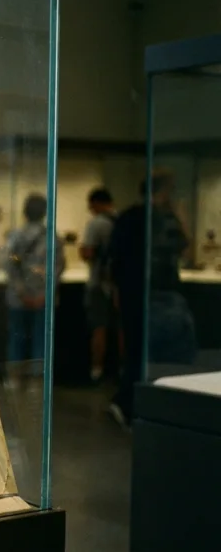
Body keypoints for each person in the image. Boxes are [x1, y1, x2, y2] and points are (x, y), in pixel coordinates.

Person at [107, 174, 190, 427]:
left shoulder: (128, 216)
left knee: (137, 349)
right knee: (154, 351)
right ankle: (135, 403)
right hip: (155, 293)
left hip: (133, 292)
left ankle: (129, 401)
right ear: (163, 192)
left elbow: (115, 258)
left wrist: (118, 291)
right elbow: (182, 245)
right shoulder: (162, 219)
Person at [2, 193, 65, 387]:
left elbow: (8, 265)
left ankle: (13, 379)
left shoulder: (15, 236)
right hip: (42, 298)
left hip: (18, 297)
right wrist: (42, 295)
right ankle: (37, 382)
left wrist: (21, 292)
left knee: (16, 338)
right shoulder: (52, 237)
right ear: (45, 212)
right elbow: (57, 268)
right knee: (41, 341)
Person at [80, 187, 117, 383]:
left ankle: (97, 369)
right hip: (119, 284)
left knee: (99, 328)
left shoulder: (96, 224)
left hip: (99, 282)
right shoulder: (121, 221)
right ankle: (121, 368)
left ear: (97, 203)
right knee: (121, 328)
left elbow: (88, 253)